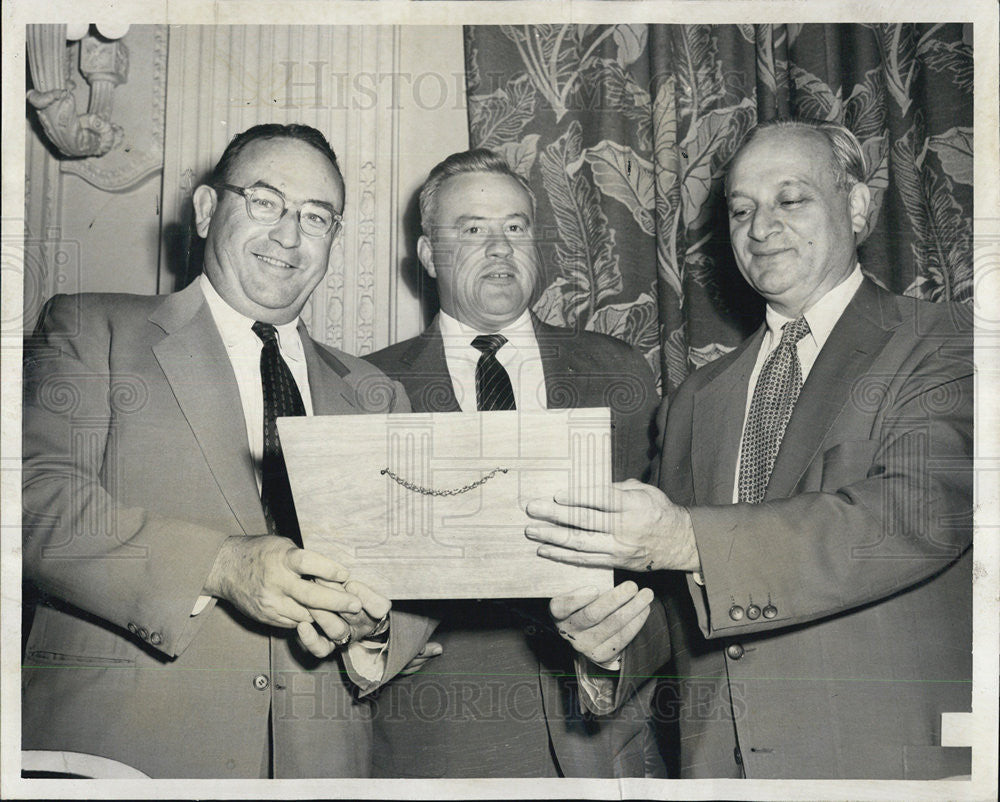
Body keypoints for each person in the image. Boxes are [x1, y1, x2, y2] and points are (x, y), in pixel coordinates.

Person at [525, 119, 973, 780]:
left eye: (790, 200)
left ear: (857, 205)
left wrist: (685, 540)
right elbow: (684, 603)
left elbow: (917, 515)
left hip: (891, 767)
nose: (761, 228)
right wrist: (610, 641)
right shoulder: (694, 401)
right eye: (741, 209)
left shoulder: (947, 345)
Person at [21, 123, 433, 778]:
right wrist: (217, 566)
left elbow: (416, 573)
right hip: (125, 760)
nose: (290, 235)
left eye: (316, 216)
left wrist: (375, 632)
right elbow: (32, 505)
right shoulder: (91, 327)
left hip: (322, 768)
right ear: (209, 210)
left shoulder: (376, 392)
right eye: (266, 202)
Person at [363, 149, 669, 778]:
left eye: (516, 226)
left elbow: (672, 569)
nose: (499, 247)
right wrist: (372, 641)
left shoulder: (620, 373)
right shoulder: (365, 387)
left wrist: (614, 657)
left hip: (605, 738)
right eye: (471, 229)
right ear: (427, 256)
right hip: (439, 741)